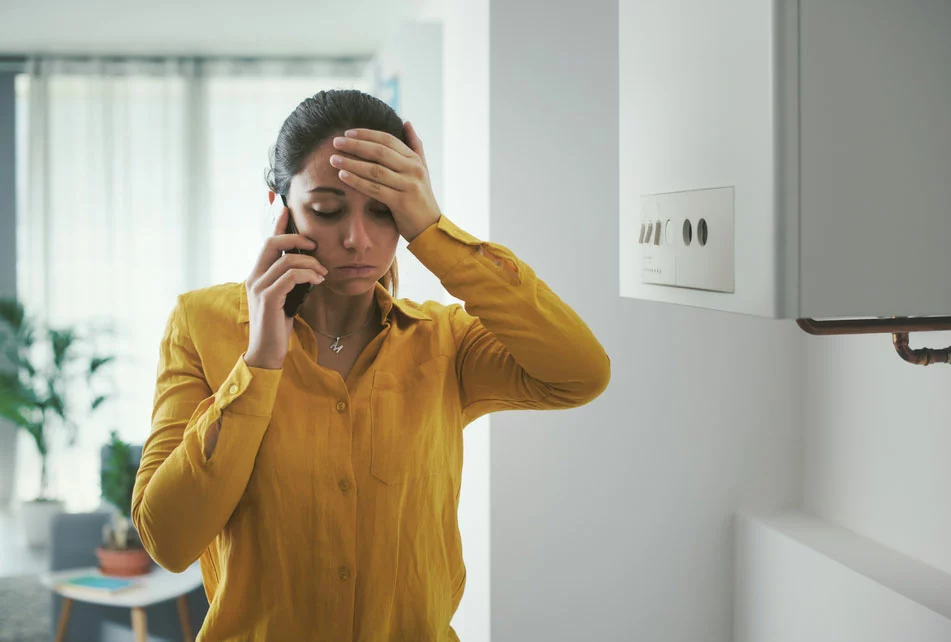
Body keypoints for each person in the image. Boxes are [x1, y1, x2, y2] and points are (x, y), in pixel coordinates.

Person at [131, 89, 610, 641]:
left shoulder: (446, 342)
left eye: (384, 211)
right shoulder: (200, 324)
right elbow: (167, 541)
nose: (357, 239)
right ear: (280, 208)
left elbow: (581, 373)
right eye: (328, 210)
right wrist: (260, 363)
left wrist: (434, 230)